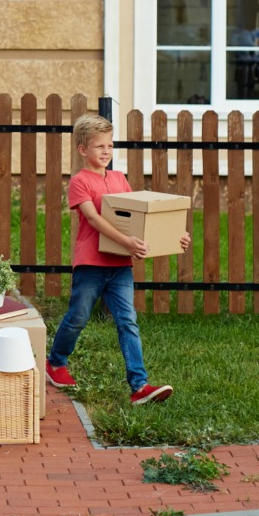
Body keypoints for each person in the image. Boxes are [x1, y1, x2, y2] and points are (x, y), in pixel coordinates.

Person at [45, 115, 190, 406]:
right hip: (91, 265)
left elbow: (139, 217)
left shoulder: (119, 179)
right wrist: (126, 241)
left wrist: (176, 236)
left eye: (110, 145)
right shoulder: (79, 182)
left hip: (120, 265)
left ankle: (139, 386)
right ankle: (55, 363)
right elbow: (94, 218)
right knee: (78, 317)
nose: (106, 151)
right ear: (82, 150)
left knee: (128, 322)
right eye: (99, 146)